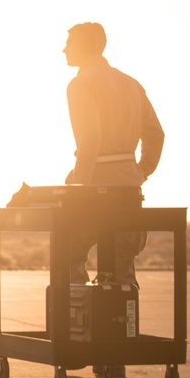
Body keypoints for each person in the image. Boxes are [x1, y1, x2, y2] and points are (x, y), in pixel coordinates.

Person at [63, 22, 165, 287]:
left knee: (67, 256)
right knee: (121, 276)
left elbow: (90, 137)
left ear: (86, 46)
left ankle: (76, 322)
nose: (63, 50)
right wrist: (142, 170)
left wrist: (79, 182)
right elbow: (156, 134)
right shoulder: (131, 84)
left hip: (95, 190)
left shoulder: (81, 84)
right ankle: (122, 327)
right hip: (129, 190)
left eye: (69, 43)